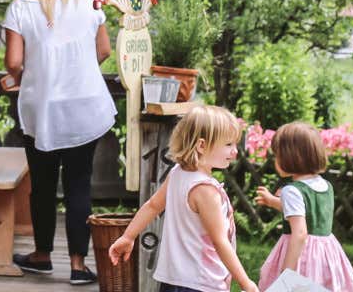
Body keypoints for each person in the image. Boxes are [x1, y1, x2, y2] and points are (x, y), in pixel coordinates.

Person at [4, 0, 116, 284]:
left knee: (43, 184)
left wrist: (25, 76)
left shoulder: (21, 8)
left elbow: (14, 63)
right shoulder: (86, 1)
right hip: (86, 105)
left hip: (45, 111)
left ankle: (42, 255)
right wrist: (74, 70)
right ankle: (79, 266)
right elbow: (104, 51)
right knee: (79, 185)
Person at [108, 106, 259, 292]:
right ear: (201, 145)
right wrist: (246, 283)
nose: (235, 151)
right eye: (228, 145)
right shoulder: (206, 191)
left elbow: (152, 205)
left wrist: (128, 236)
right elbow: (220, 242)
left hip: (173, 281)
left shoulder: (177, 173)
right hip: (200, 283)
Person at [255, 122, 353, 292]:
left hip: (301, 255)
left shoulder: (292, 190)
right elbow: (304, 212)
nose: (275, 161)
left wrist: (286, 273)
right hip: (325, 254)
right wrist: (272, 201)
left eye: (277, 156)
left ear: (292, 157)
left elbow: (300, 232)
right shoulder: (325, 185)